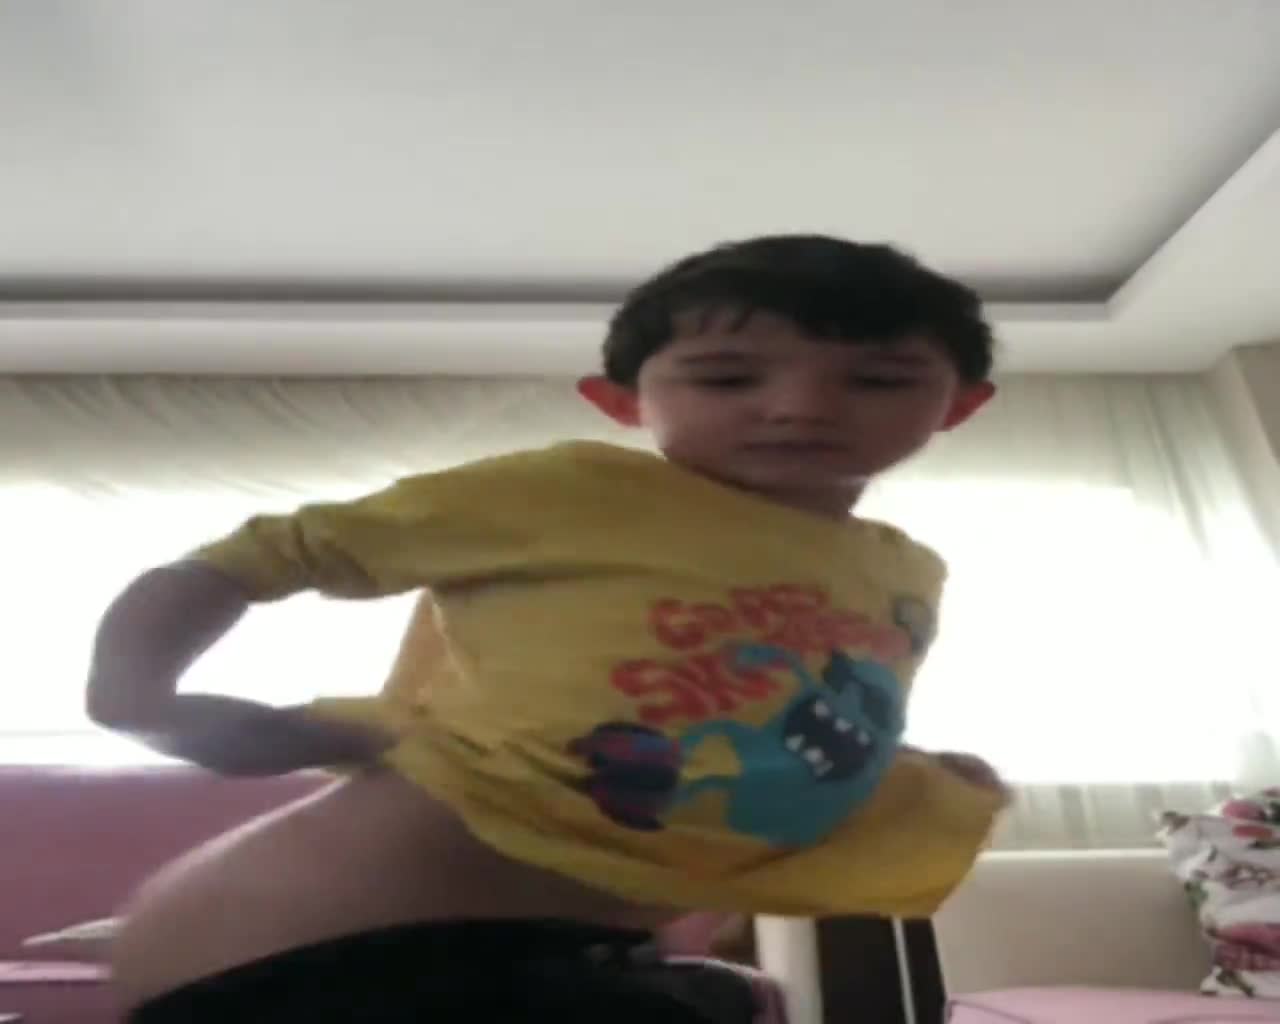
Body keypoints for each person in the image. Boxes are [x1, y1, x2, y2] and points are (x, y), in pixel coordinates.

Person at [87, 234, 1010, 1022]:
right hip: (316, 949)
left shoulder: (903, 573)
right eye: (728, 376)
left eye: (878, 379)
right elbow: (256, 556)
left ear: (960, 405)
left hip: (566, 956)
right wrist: (137, 699)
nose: (802, 406)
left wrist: (898, 771)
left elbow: (747, 712)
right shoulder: (570, 493)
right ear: (622, 401)